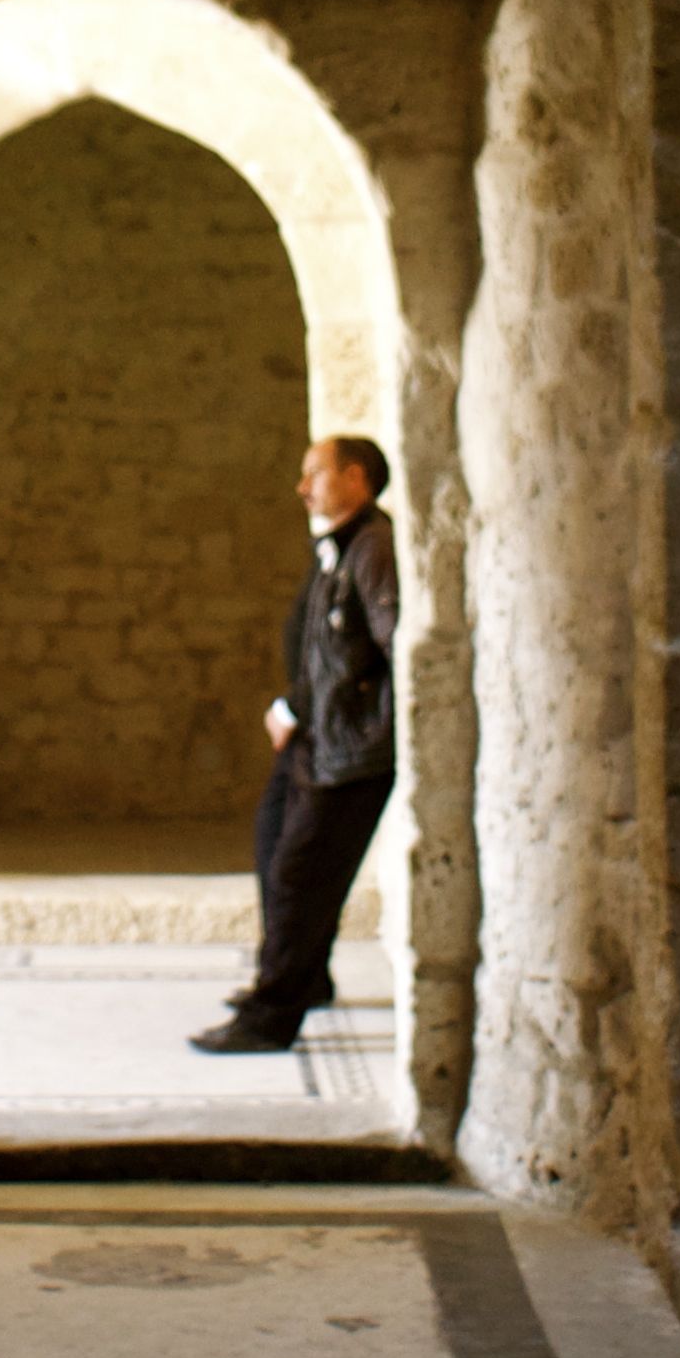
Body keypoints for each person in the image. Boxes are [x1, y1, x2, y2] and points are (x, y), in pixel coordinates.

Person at [190, 432, 398, 1056]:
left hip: (348, 750)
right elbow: (321, 649)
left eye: (316, 473)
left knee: (300, 874)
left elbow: (389, 645)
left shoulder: (372, 548)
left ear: (356, 478)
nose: (302, 487)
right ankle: (304, 978)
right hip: (316, 737)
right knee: (275, 846)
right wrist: (296, 707)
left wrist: (329, 714)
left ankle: (271, 1014)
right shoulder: (338, 546)